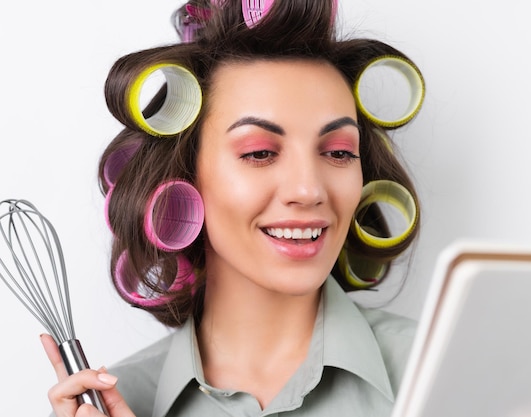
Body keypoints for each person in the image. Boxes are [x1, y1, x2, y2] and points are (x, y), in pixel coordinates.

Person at [41, 0, 424, 415]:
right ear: (182, 180)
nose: (308, 189)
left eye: (337, 152)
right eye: (260, 152)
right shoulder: (117, 403)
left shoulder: (441, 372)